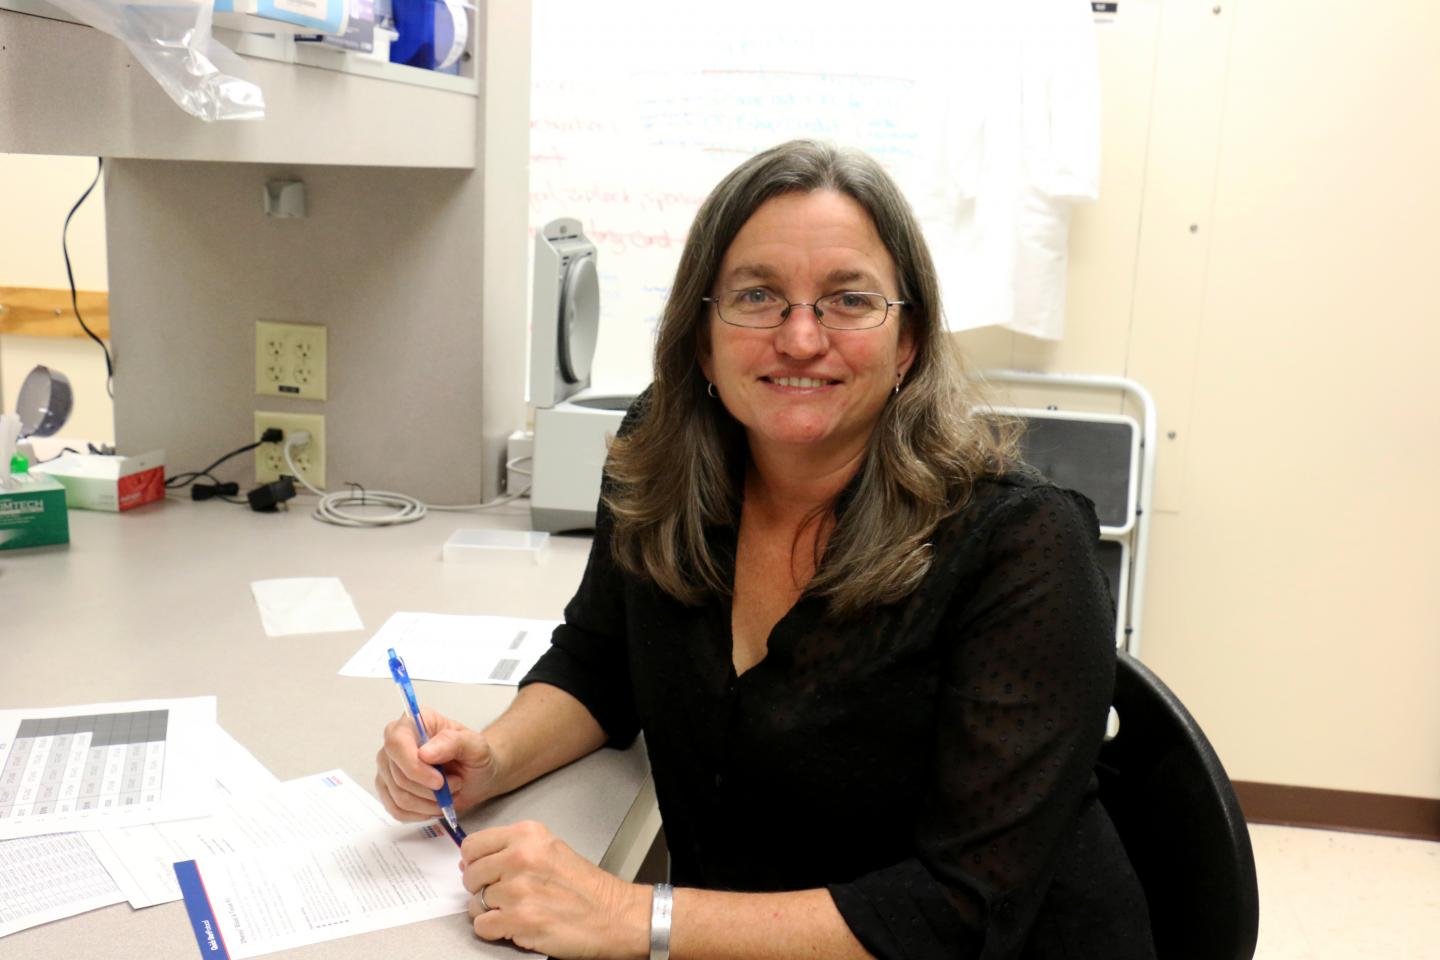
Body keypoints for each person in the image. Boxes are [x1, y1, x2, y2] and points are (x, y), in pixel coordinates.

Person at [375, 140, 1156, 959]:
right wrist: (490, 758)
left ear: (910, 342)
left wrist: (629, 916)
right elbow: (600, 664)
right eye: (757, 296)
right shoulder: (660, 460)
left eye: (849, 301)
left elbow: (964, 909)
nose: (801, 337)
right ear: (703, 333)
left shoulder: (1020, 546)